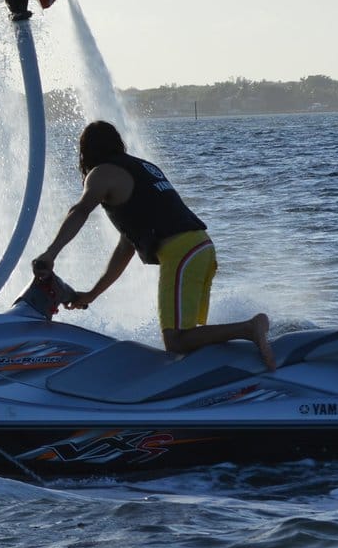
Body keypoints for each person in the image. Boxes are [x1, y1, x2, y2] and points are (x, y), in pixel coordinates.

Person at [32, 120, 275, 370]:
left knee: (176, 340)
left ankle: (250, 328)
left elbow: (80, 210)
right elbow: (125, 248)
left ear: (86, 152)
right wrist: (92, 294)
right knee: (187, 334)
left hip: (183, 252)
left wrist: (50, 253)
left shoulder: (102, 173)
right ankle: (234, 363)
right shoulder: (142, 168)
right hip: (200, 247)